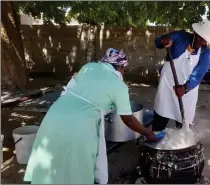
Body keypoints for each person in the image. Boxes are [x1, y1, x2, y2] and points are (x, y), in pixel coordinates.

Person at [23, 48, 158, 184]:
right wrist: (147, 133)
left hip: (55, 114)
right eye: (124, 69)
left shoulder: (89, 67)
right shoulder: (119, 85)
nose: (124, 72)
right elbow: (128, 119)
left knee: (51, 153)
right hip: (81, 124)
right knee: (77, 163)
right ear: (120, 66)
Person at [152, 19, 210, 131]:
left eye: (205, 40)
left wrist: (185, 88)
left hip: (186, 92)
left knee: (183, 125)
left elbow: (198, 74)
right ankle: (156, 141)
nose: (202, 42)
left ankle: (181, 143)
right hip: (167, 86)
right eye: (200, 38)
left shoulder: (206, 54)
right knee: (160, 119)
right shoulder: (180, 36)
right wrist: (164, 40)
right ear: (195, 33)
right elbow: (158, 42)